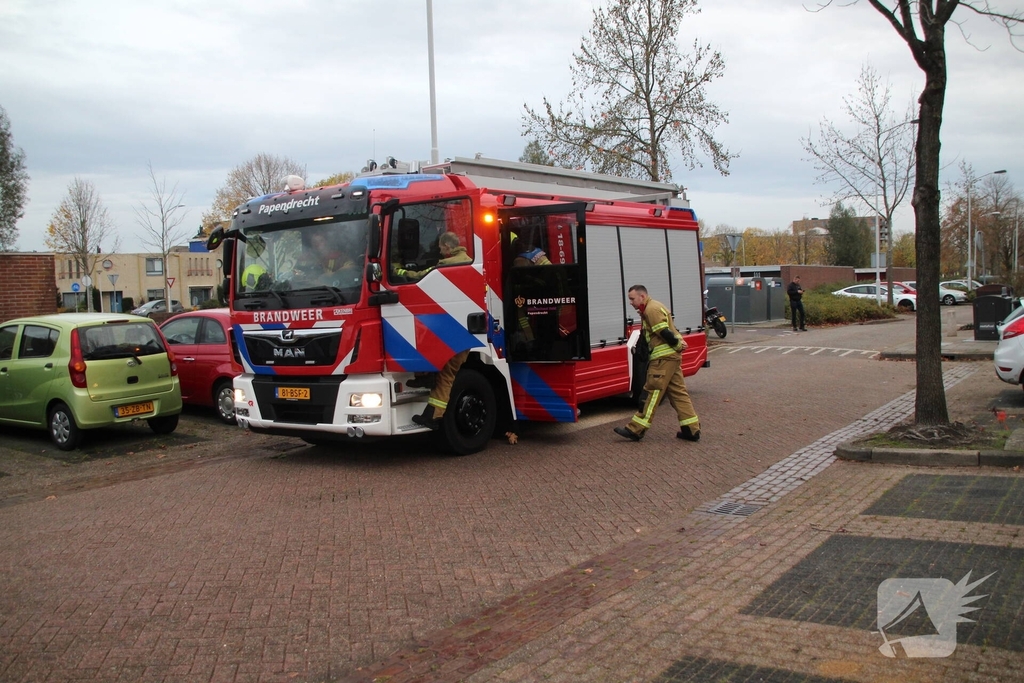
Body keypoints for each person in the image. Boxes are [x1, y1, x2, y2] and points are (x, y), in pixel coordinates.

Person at [402, 233, 474, 430]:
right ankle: (427, 382)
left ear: (448, 247)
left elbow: (421, 276)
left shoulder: (445, 265)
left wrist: (398, 272)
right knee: (445, 369)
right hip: (465, 329)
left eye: (441, 248)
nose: (440, 251)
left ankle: (433, 415)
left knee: (446, 373)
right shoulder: (469, 261)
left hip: (455, 331)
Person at [613, 285, 701, 443]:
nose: (631, 303)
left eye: (632, 299)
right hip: (670, 358)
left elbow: (665, 333)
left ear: (642, 296)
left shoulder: (651, 309)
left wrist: (678, 345)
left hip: (663, 359)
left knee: (651, 392)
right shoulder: (653, 307)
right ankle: (691, 429)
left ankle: (636, 429)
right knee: (679, 393)